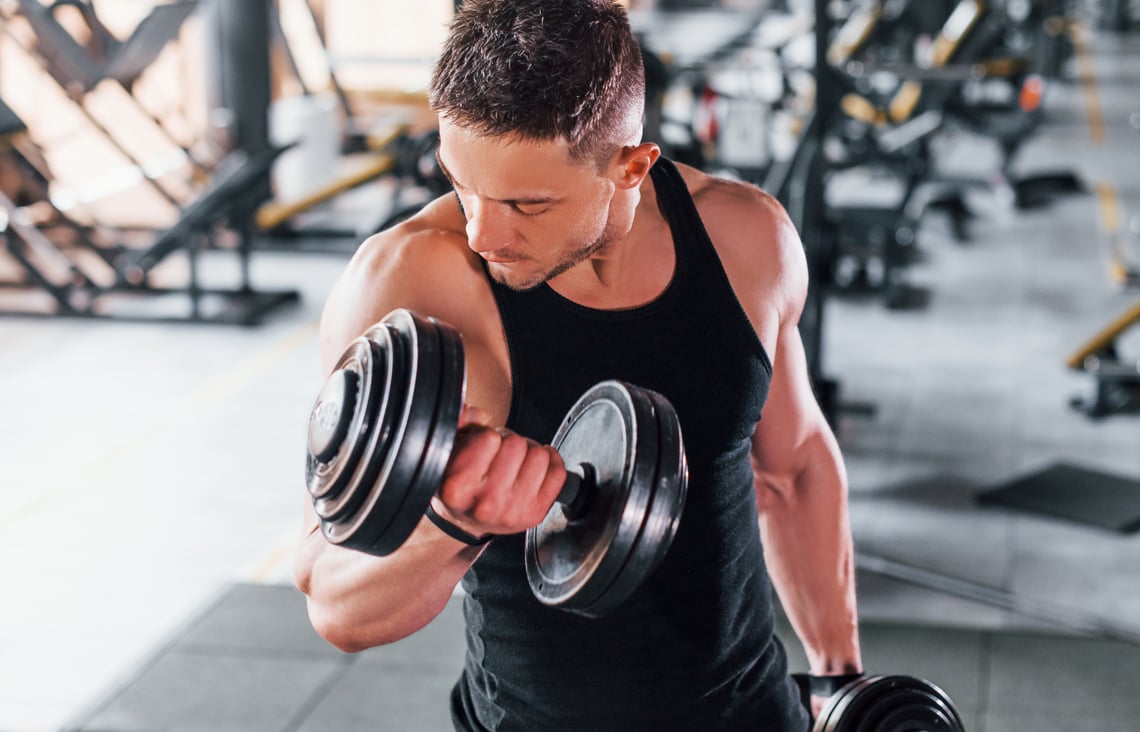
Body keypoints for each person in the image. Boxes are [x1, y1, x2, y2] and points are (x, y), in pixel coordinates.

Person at [293, 1, 861, 729]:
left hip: (753, 712)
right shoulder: (410, 286)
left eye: (527, 204)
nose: (483, 233)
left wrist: (841, 678)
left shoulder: (747, 240)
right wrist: (454, 525)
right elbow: (333, 601)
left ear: (632, 167)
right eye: (461, 184)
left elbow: (796, 468)